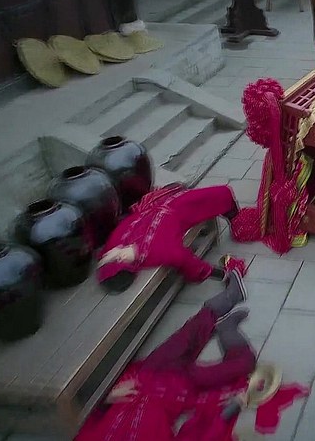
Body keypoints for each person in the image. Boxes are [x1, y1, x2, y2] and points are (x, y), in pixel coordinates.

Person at [75, 270, 253, 440]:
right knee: (243, 365)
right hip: (179, 390)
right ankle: (227, 328)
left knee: (187, 336)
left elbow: (80, 421)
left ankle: (231, 297)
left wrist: (107, 400)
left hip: (147, 374)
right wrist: (232, 408)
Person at [97, 183, 241, 292]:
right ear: (127, 263)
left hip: (152, 206)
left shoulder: (114, 246)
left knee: (183, 189)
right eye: (119, 259)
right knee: (221, 193)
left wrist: (110, 256)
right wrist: (222, 274)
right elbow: (188, 262)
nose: (117, 255)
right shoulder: (159, 252)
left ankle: (234, 216)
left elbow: (104, 255)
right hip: (175, 211)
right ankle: (237, 219)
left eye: (113, 258)